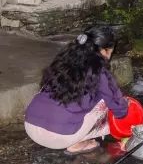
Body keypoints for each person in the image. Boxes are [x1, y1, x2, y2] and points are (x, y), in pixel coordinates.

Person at [24, 25, 129, 155]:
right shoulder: (98, 71)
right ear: (104, 51)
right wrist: (125, 107)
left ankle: (73, 131)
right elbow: (119, 109)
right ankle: (77, 143)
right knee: (110, 101)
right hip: (60, 137)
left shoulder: (61, 61)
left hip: (30, 126)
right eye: (110, 51)